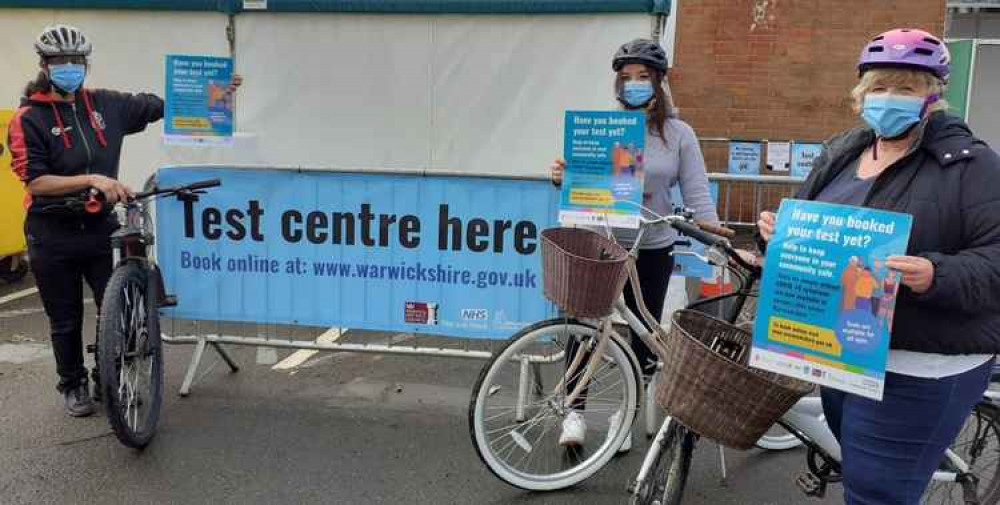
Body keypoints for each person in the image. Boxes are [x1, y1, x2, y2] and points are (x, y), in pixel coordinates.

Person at [757, 28, 1000, 504]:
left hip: (920, 365)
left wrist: (935, 274)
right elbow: (818, 233)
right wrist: (780, 235)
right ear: (861, 94)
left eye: (906, 87)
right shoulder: (843, 153)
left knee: (874, 494)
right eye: (879, 86)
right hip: (842, 354)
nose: (889, 98)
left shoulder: (972, 166)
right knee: (863, 480)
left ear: (933, 96)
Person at [7, 24, 242, 417]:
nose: (69, 67)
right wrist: (92, 178)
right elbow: (36, 180)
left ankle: (109, 375)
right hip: (52, 232)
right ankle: (73, 384)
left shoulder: (105, 105)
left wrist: (211, 94)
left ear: (85, 63)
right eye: (60, 61)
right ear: (44, 65)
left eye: (76, 60)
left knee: (115, 309)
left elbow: (160, 106)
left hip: (98, 227)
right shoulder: (28, 117)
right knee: (64, 319)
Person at [551, 38, 719, 450]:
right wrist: (563, 176)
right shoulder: (603, 127)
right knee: (585, 327)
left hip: (653, 244)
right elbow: (585, 177)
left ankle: (622, 417)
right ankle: (573, 412)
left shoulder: (679, 134)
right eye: (626, 79)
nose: (634, 85)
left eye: (643, 77)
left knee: (644, 334)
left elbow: (697, 191)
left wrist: (714, 229)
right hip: (602, 242)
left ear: (659, 82)